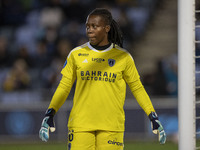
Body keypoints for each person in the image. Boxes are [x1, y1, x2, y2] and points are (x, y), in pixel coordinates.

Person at [39, 8, 166, 150]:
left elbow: (137, 88)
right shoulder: (76, 54)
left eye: (94, 26)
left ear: (107, 28)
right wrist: (50, 112)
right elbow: (64, 87)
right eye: (87, 26)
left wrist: (152, 115)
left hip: (111, 127)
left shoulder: (123, 57)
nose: (89, 30)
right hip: (81, 125)